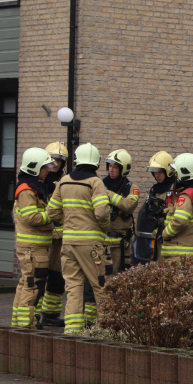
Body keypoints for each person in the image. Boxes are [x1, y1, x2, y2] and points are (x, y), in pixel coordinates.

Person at [46, 143, 111, 335]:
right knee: (100, 286)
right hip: (91, 244)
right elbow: (102, 213)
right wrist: (104, 229)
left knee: (73, 287)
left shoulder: (64, 181)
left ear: (76, 160)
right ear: (96, 162)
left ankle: (72, 330)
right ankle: (108, 330)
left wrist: (68, 220)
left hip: (68, 243)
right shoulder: (95, 183)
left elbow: (52, 211)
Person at [82, 149, 139, 326]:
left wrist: (108, 194)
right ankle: (90, 319)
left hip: (120, 244)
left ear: (124, 169)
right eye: (110, 166)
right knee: (95, 278)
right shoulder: (98, 184)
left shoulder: (131, 187)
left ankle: (114, 317)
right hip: (100, 240)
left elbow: (129, 206)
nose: (111, 170)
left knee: (117, 278)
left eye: (116, 167)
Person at [12, 148, 56, 328]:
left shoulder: (33, 188)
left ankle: (18, 324)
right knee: (32, 286)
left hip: (34, 248)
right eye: (45, 167)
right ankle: (25, 327)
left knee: (26, 284)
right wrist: (53, 217)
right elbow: (32, 218)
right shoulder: (26, 190)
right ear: (34, 167)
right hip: (32, 249)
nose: (48, 170)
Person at [38, 141, 68, 328]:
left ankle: (51, 315)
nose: (55, 164)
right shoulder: (38, 183)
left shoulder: (66, 182)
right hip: (42, 237)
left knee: (57, 277)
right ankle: (36, 315)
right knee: (40, 276)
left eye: (59, 160)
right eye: (53, 160)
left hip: (61, 238)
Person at [160, 153, 193, 261]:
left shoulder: (187, 195)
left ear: (186, 173)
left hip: (179, 255)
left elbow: (180, 221)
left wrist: (165, 233)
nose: (176, 176)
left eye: (177, 172)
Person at [144, 151, 176, 261]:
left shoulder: (175, 189)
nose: (157, 175)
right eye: (154, 172)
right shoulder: (154, 189)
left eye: (160, 172)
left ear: (167, 171)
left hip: (169, 235)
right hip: (156, 233)